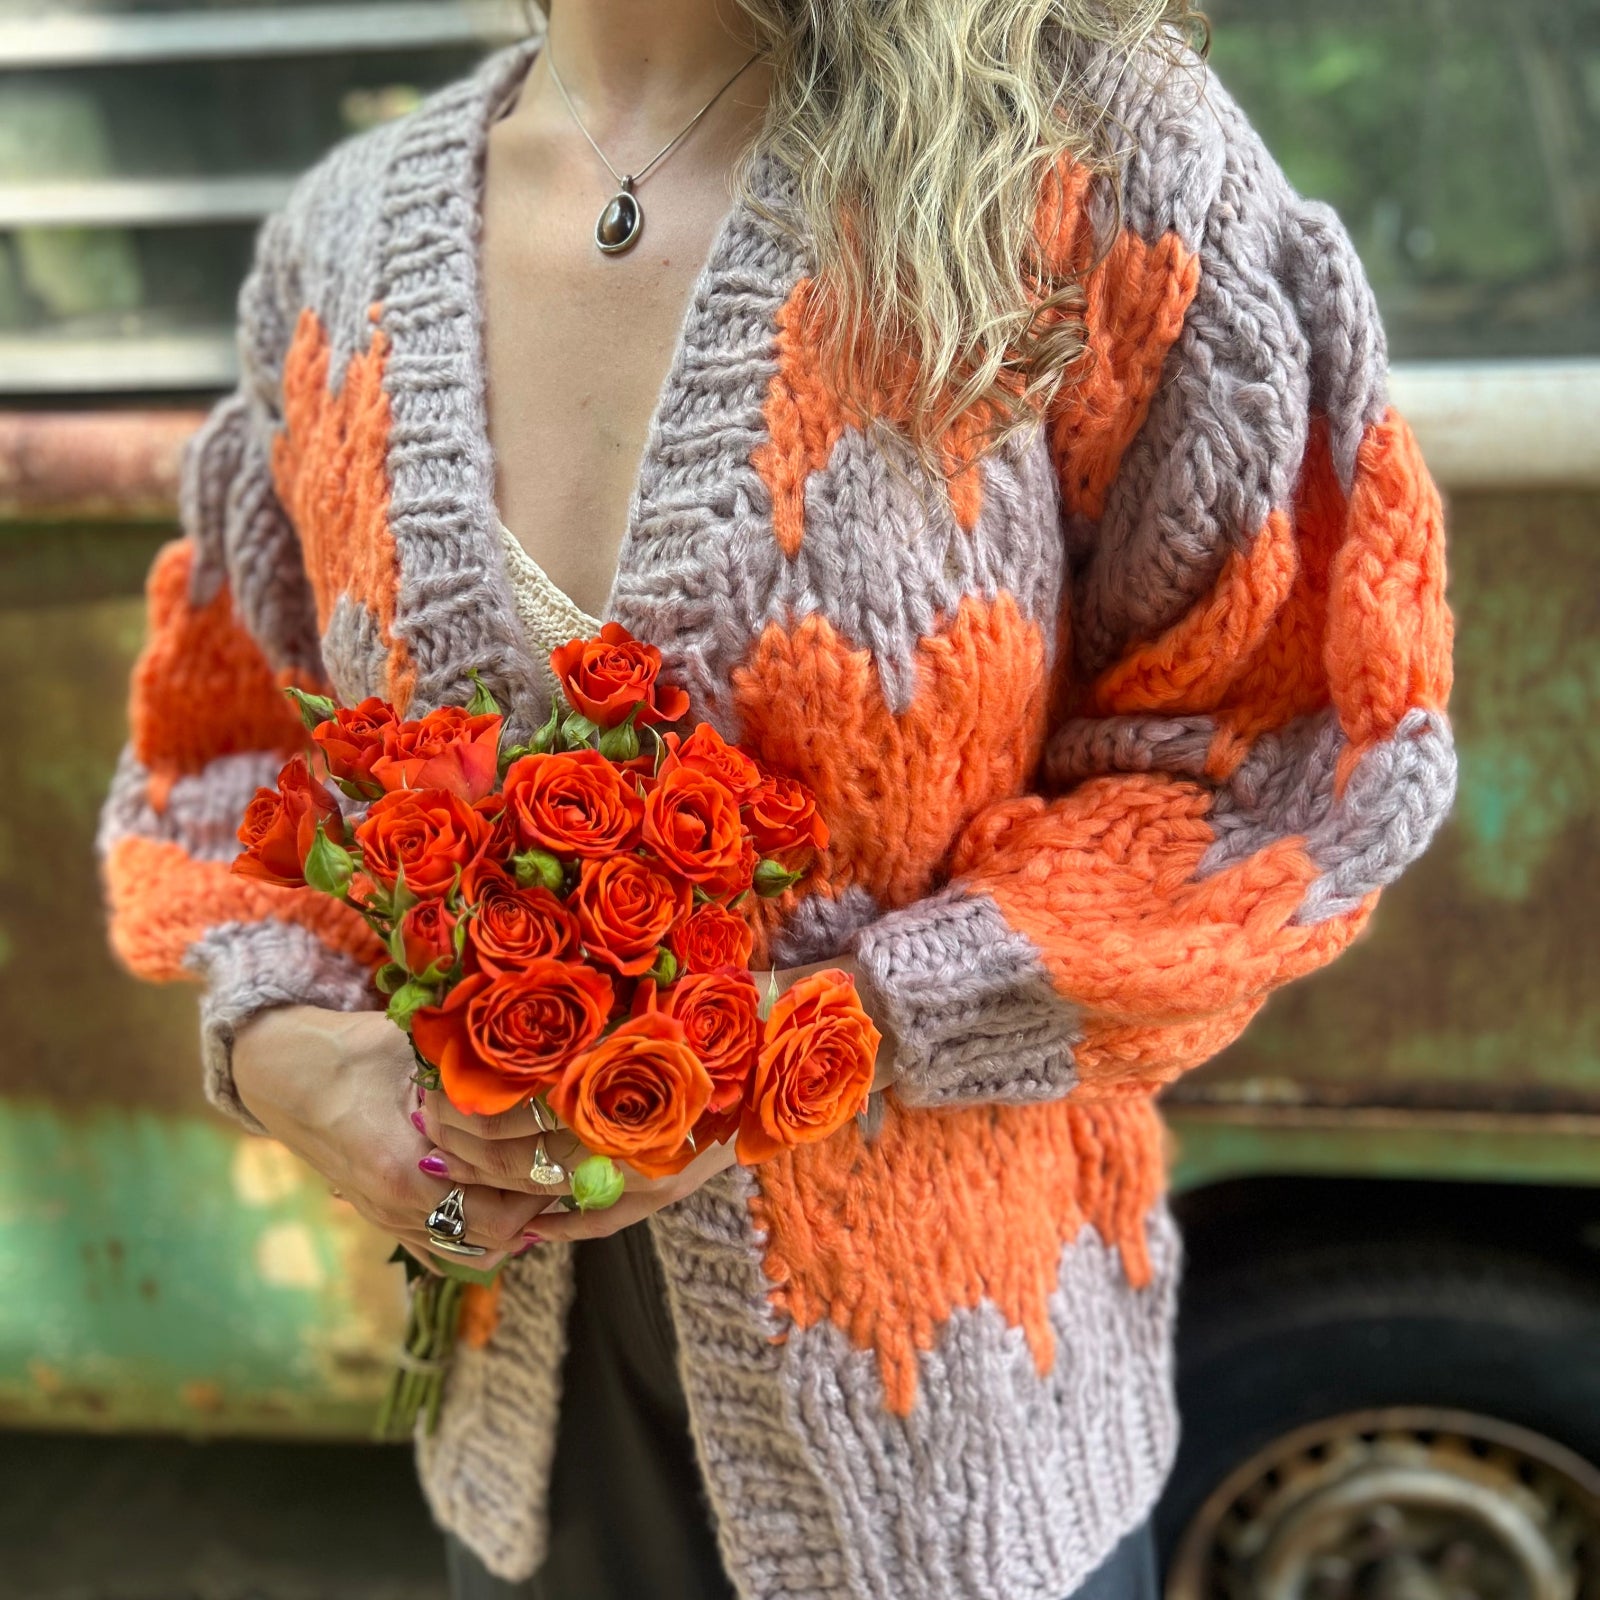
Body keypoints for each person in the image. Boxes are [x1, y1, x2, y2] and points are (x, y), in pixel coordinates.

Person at [96, 0, 1456, 1596]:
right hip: (534, 1454)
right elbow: (233, 757)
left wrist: (836, 1035)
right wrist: (279, 1045)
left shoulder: (1081, 161)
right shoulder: (339, 253)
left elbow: (1283, 751)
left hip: (955, 1443)